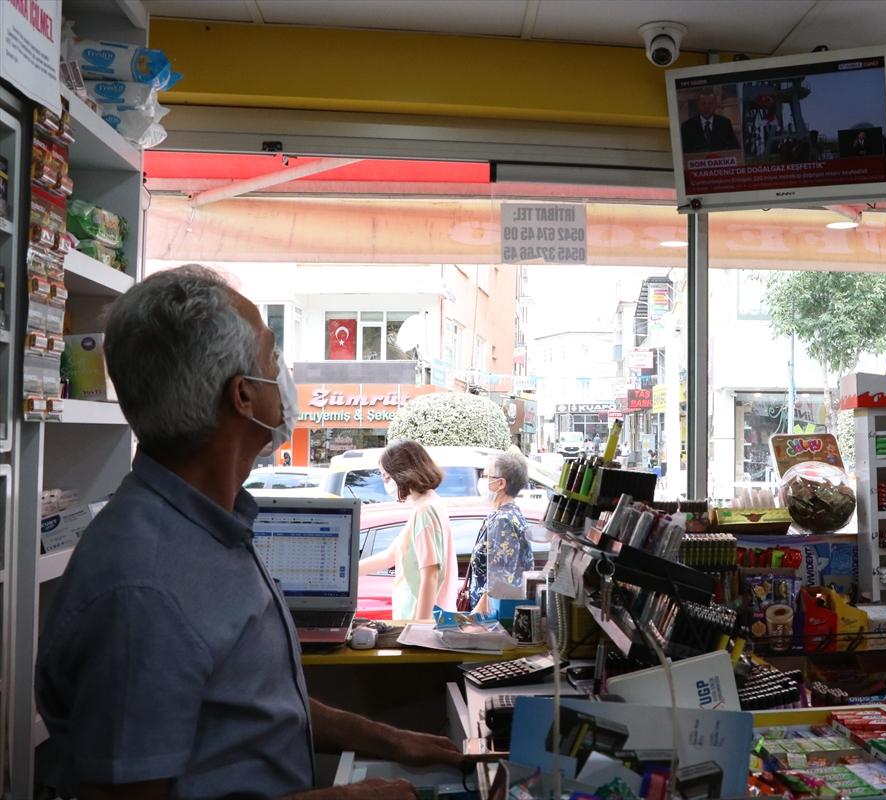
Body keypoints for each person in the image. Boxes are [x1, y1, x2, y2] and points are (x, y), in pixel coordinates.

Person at [35, 266, 461, 800]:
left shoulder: (211, 525)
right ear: (242, 395)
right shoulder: (143, 588)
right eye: (271, 355)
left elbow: (256, 702)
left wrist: (389, 739)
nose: (281, 372)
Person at [359, 439, 457, 619]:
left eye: (386, 477)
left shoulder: (425, 511)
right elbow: (389, 556)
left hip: (417, 619)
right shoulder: (429, 503)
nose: (386, 483)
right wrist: (344, 574)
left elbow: (430, 575)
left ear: (402, 473)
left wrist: (420, 627)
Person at [465, 453, 534, 613]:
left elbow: (499, 581)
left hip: (492, 616)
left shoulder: (503, 521)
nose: (481, 480)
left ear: (501, 483)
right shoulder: (505, 514)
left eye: (485, 476)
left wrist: (474, 618)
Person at [679, 88, 740, 152]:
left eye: (710, 103)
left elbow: (735, 148)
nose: (706, 107)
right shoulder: (687, 126)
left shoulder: (725, 124)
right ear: (698, 105)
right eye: (703, 104)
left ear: (715, 105)